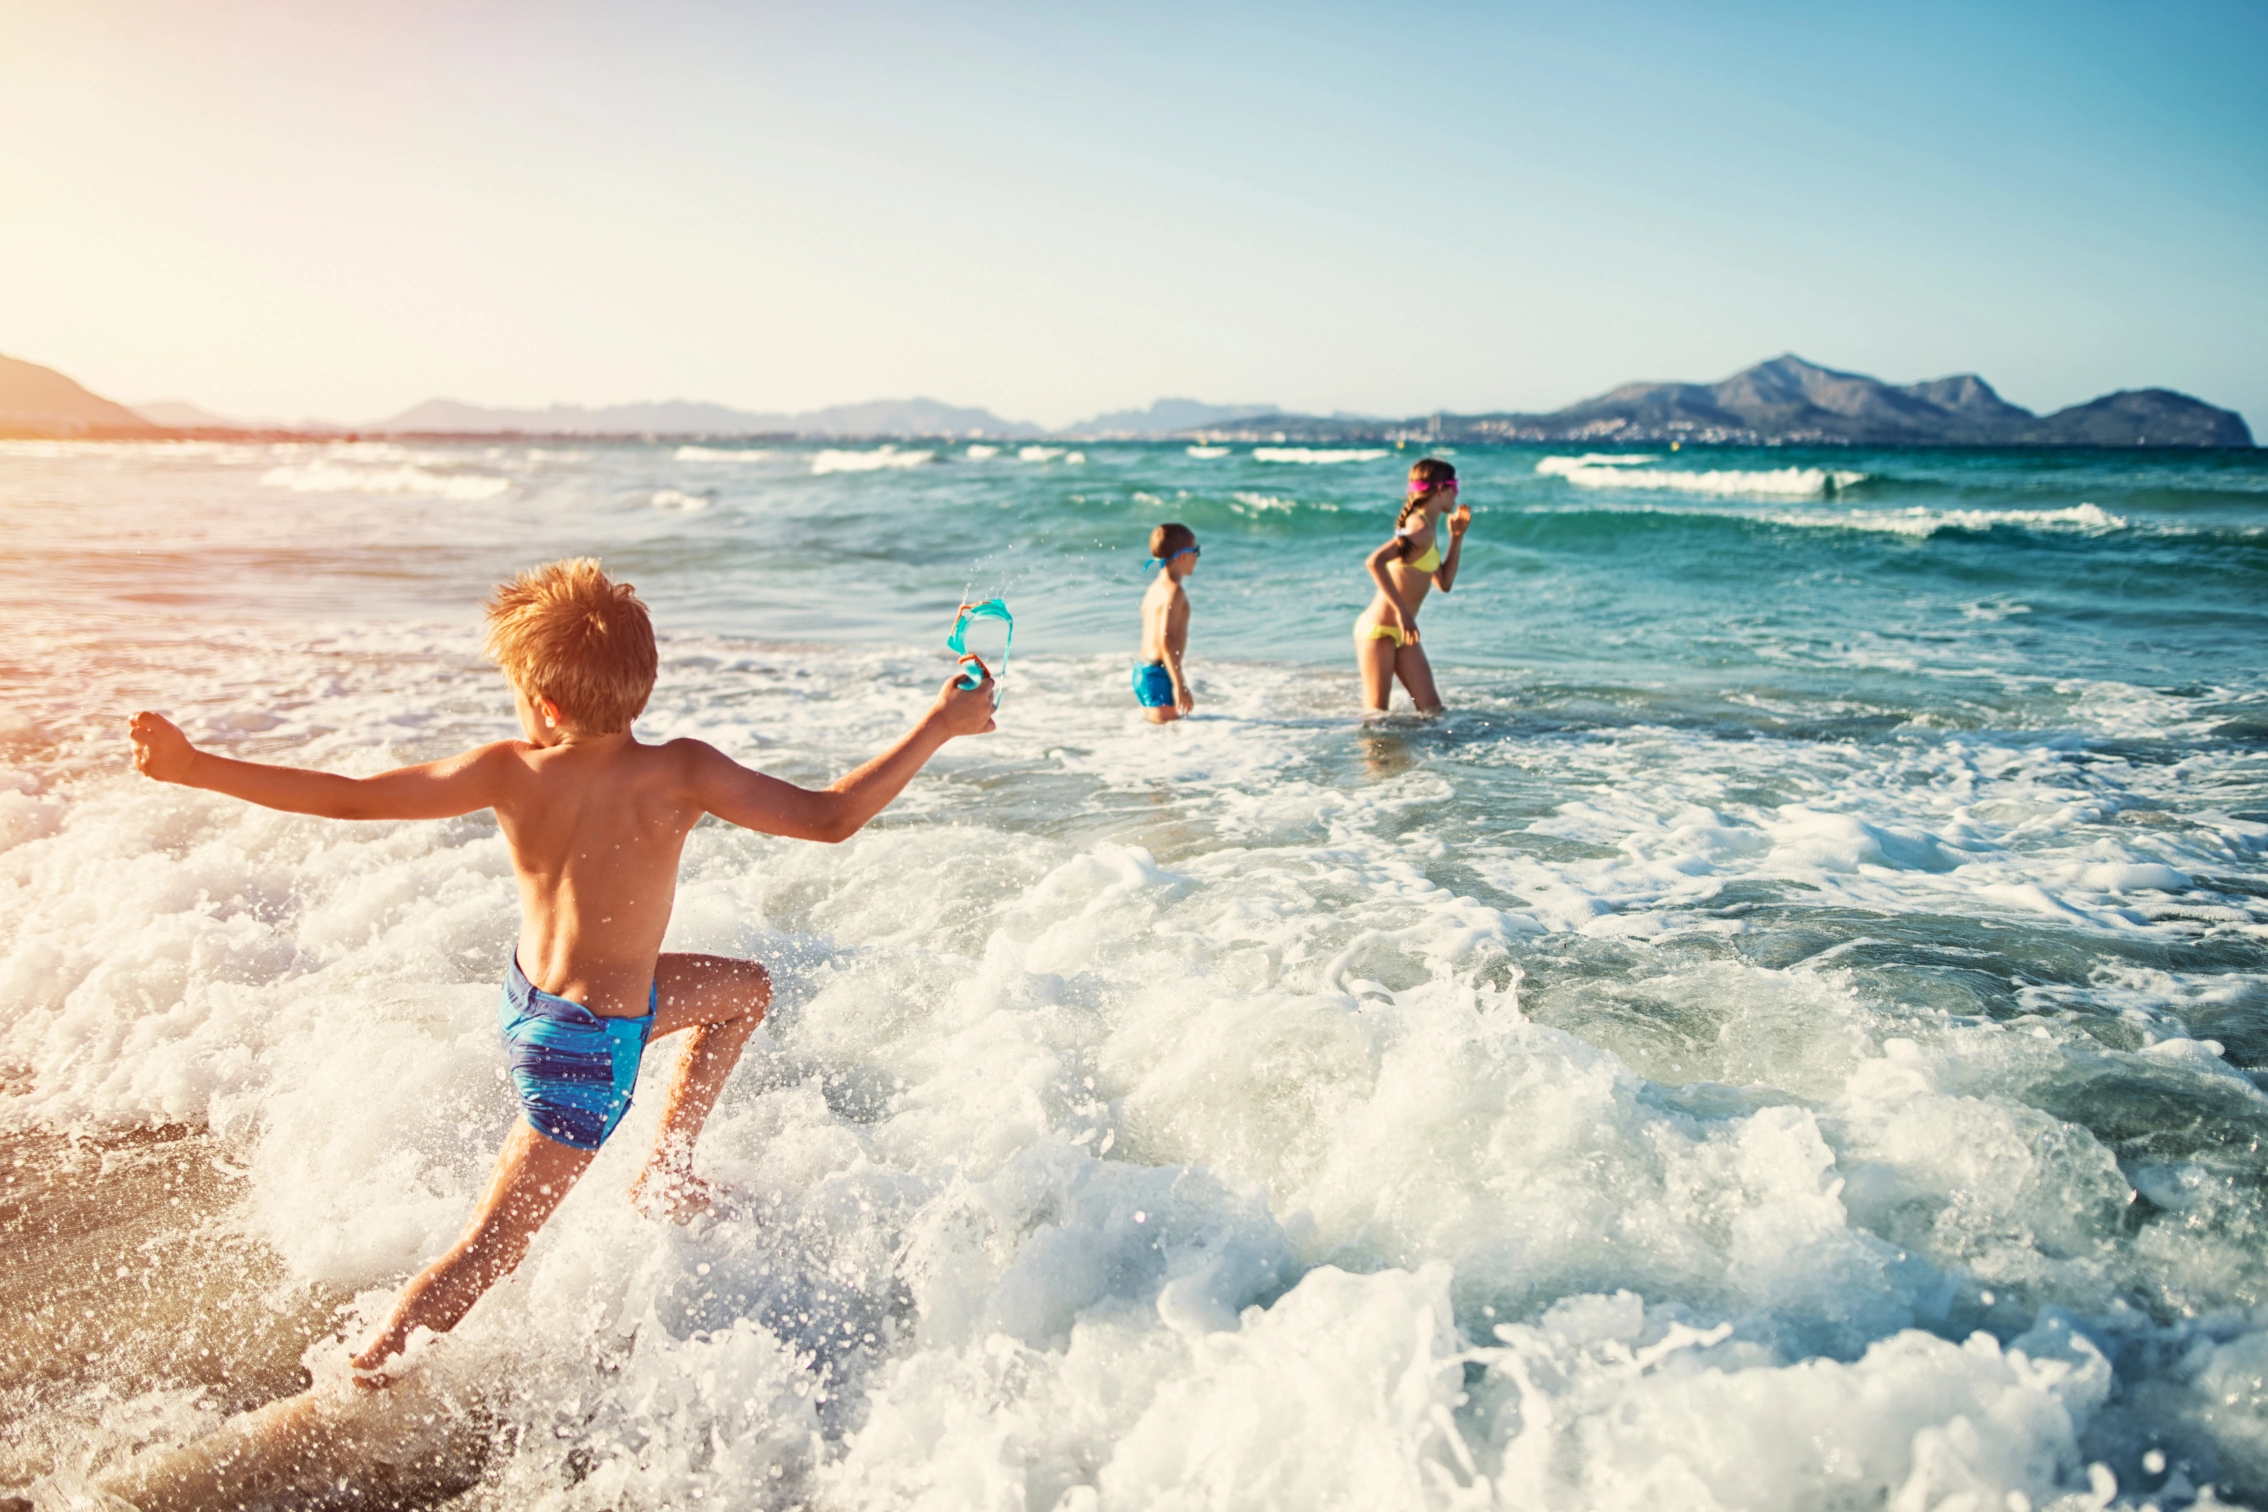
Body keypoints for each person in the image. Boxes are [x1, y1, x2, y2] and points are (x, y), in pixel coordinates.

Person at [125, 558, 995, 1382]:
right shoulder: (682, 769)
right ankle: (366, 1374)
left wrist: (196, 767)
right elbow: (833, 816)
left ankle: (668, 1168)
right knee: (491, 1249)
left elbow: (353, 797)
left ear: (541, 705)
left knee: (743, 991)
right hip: (590, 1049)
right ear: (642, 684)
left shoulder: (510, 769)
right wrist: (942, 723)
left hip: (536, 1003)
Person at [1354, 458, 1469, 714]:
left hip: (1404, 635)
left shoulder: (1428, 530)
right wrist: (1403, 613)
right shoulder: (1419, 530)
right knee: (1377, 719)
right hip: (1380, 631)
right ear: (1440, 489)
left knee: (1433, 713)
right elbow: (1375, 562)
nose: (1457, 493)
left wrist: (1457, 537)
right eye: (1455, 485)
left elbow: (1444, 583)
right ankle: (1373, 757)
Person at [1134, 523, 1199, 723]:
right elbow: (1167, 641)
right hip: (1159, 674)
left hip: (1142, 671)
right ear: (1182, 556)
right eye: (1195, 550)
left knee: (1159, 739)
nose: (1197, 557)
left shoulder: (1155, 588)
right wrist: (1179, 685)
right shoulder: (1175, 592)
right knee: (1170, 742)